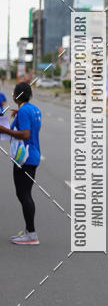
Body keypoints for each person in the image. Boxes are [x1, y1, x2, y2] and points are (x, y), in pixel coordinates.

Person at [4, 82, 42, 245]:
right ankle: (28, 231)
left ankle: (31, 234)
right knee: (24, 194)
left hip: (25, 158)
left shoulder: (24, 111)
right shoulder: (33, 109)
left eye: (14, 92)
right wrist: (18, 115)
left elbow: (25, 134)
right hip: (31, 156)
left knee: (24, 194)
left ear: (17, 95)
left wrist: (4, 130)